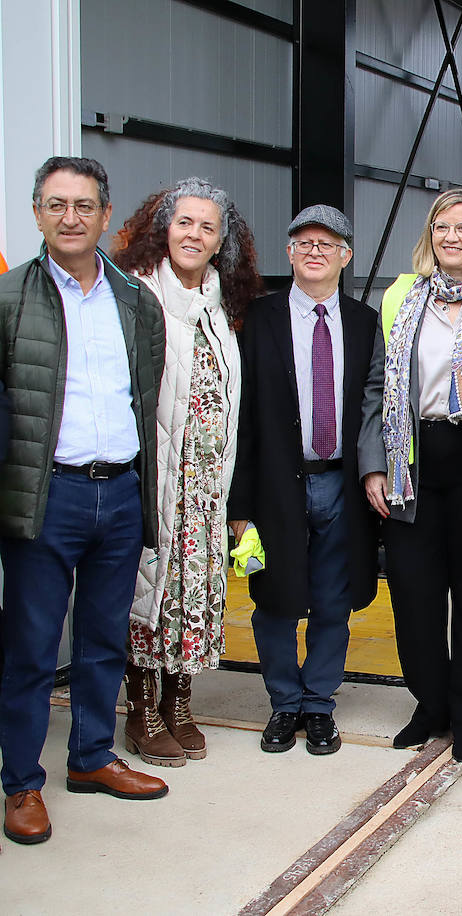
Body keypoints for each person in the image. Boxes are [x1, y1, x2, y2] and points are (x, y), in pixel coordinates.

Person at [1, 157, 168, 847]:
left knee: (103, 640)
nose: (71, 217)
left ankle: (92, 757)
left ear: (105, 215)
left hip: (120, 493)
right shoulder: (10, 299)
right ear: (37, 213)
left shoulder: (135, 300)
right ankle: (21, 784)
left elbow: (147, 393)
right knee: (33, 648)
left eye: (84, 205)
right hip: (47, 498)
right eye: (56, 204)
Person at [112, 177, 261, 767]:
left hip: (207, 484)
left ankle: (180, 699)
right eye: (185, 223)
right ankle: (141, 706)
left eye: (207, 227)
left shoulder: (224, 304)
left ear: (222, 241)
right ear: (162, 228)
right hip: (158, 478)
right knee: (148, 590)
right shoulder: (139, 295)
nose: (194, 235)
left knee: (194, 592)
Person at [360, 188, 462, 760]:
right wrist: (375, 464)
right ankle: (431, 704)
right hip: (410, 460)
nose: (451, 237)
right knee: (414, 598)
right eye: (442, 227)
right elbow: (377, 384)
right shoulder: (402, 297)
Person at [228, 205, 379, 756]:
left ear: (346, 256)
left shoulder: (365, 323)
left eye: (328, 243)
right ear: (289, 253)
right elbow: (241, 417)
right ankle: (283, 703)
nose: (315, 251)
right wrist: (239, 502)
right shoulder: (258, 318)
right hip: (275, 487)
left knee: (333, 602)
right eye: (304, 242)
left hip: (340, 485)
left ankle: (319, 705)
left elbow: (374, 406)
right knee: (274, 600)